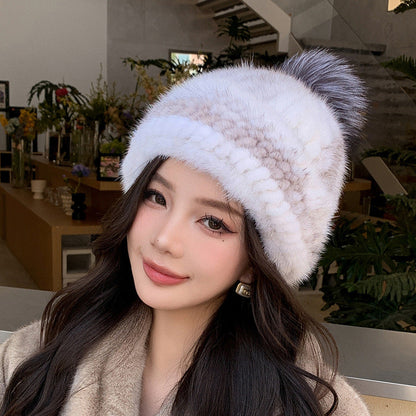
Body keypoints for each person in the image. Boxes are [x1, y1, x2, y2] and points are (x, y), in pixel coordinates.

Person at [0, 49, 370, 416]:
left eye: (213, 222)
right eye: (156, 197)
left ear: (257, 262)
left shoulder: (307, 405)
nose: (164, 239)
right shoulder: (35, 356)